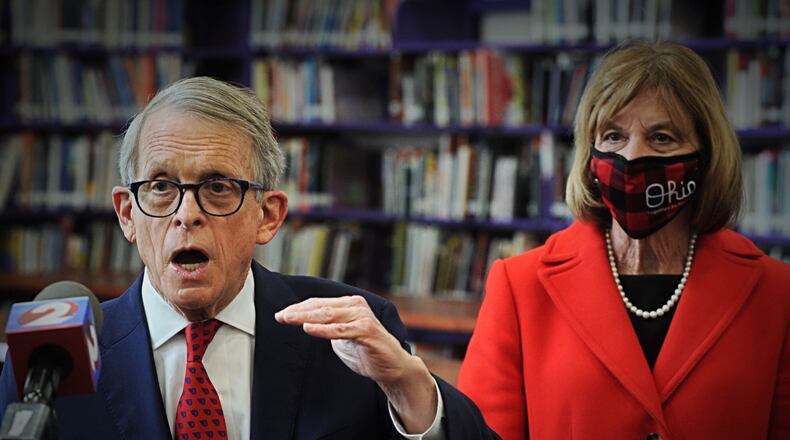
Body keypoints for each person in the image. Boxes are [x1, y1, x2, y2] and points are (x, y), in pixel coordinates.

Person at [0, 77, 498, 440]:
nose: (186, 214)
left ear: (268, 215)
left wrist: (410, 387)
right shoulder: (49, 363)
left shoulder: (350, 336)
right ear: (127, 215)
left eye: (217, 188)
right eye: (160, 187)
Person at [458, 42, 790, 439]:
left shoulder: (777, 293)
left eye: (662, 137)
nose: (632, 157)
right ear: (589, 152)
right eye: (613, 135)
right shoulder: (519, 286)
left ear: (707, 154)